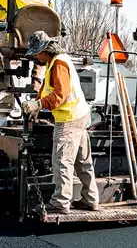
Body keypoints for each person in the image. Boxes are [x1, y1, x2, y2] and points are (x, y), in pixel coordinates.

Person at [22, 31, 99, 214]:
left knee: (62, 161)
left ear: (45, 50)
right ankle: (91, 199)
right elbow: (46, 89)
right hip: (80, 115)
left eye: (35, 52)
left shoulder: (58, 64)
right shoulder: (54, 62)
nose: (34, 56)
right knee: (83, 161)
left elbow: (59, 96)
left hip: (69, 119)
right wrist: (38, 105)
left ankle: (60, 202)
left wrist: (38, 104)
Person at [0, 0, 55, 92]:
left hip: (16, 44)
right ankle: (37, 80)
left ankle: (1, 76)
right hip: (41, 47)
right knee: (43, 40)